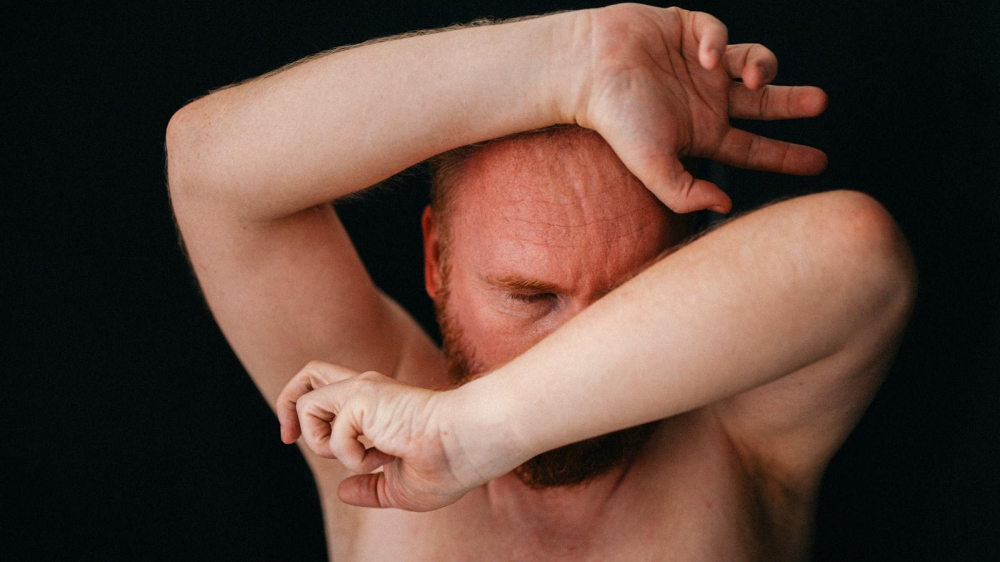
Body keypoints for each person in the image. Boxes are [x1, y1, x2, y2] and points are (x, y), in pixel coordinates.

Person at [166, 4, 917, 560]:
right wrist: (574, 60)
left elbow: (857, 251)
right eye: (530, 297)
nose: (574, 345)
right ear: (435, 261)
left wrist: (463, 438)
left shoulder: (737, 442)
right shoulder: (369, 431)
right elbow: (208, 166)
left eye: (631, 302)